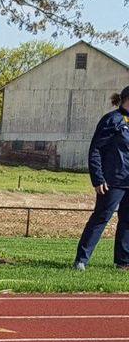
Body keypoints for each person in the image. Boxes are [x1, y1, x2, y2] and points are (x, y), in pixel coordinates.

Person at [74, 85, 129, 271]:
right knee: (101, 217)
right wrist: (98, 178)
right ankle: (81, 260)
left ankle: (123, 262)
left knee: (127, 220)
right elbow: (96, 150)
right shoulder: (112, 120)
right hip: (112, 180)